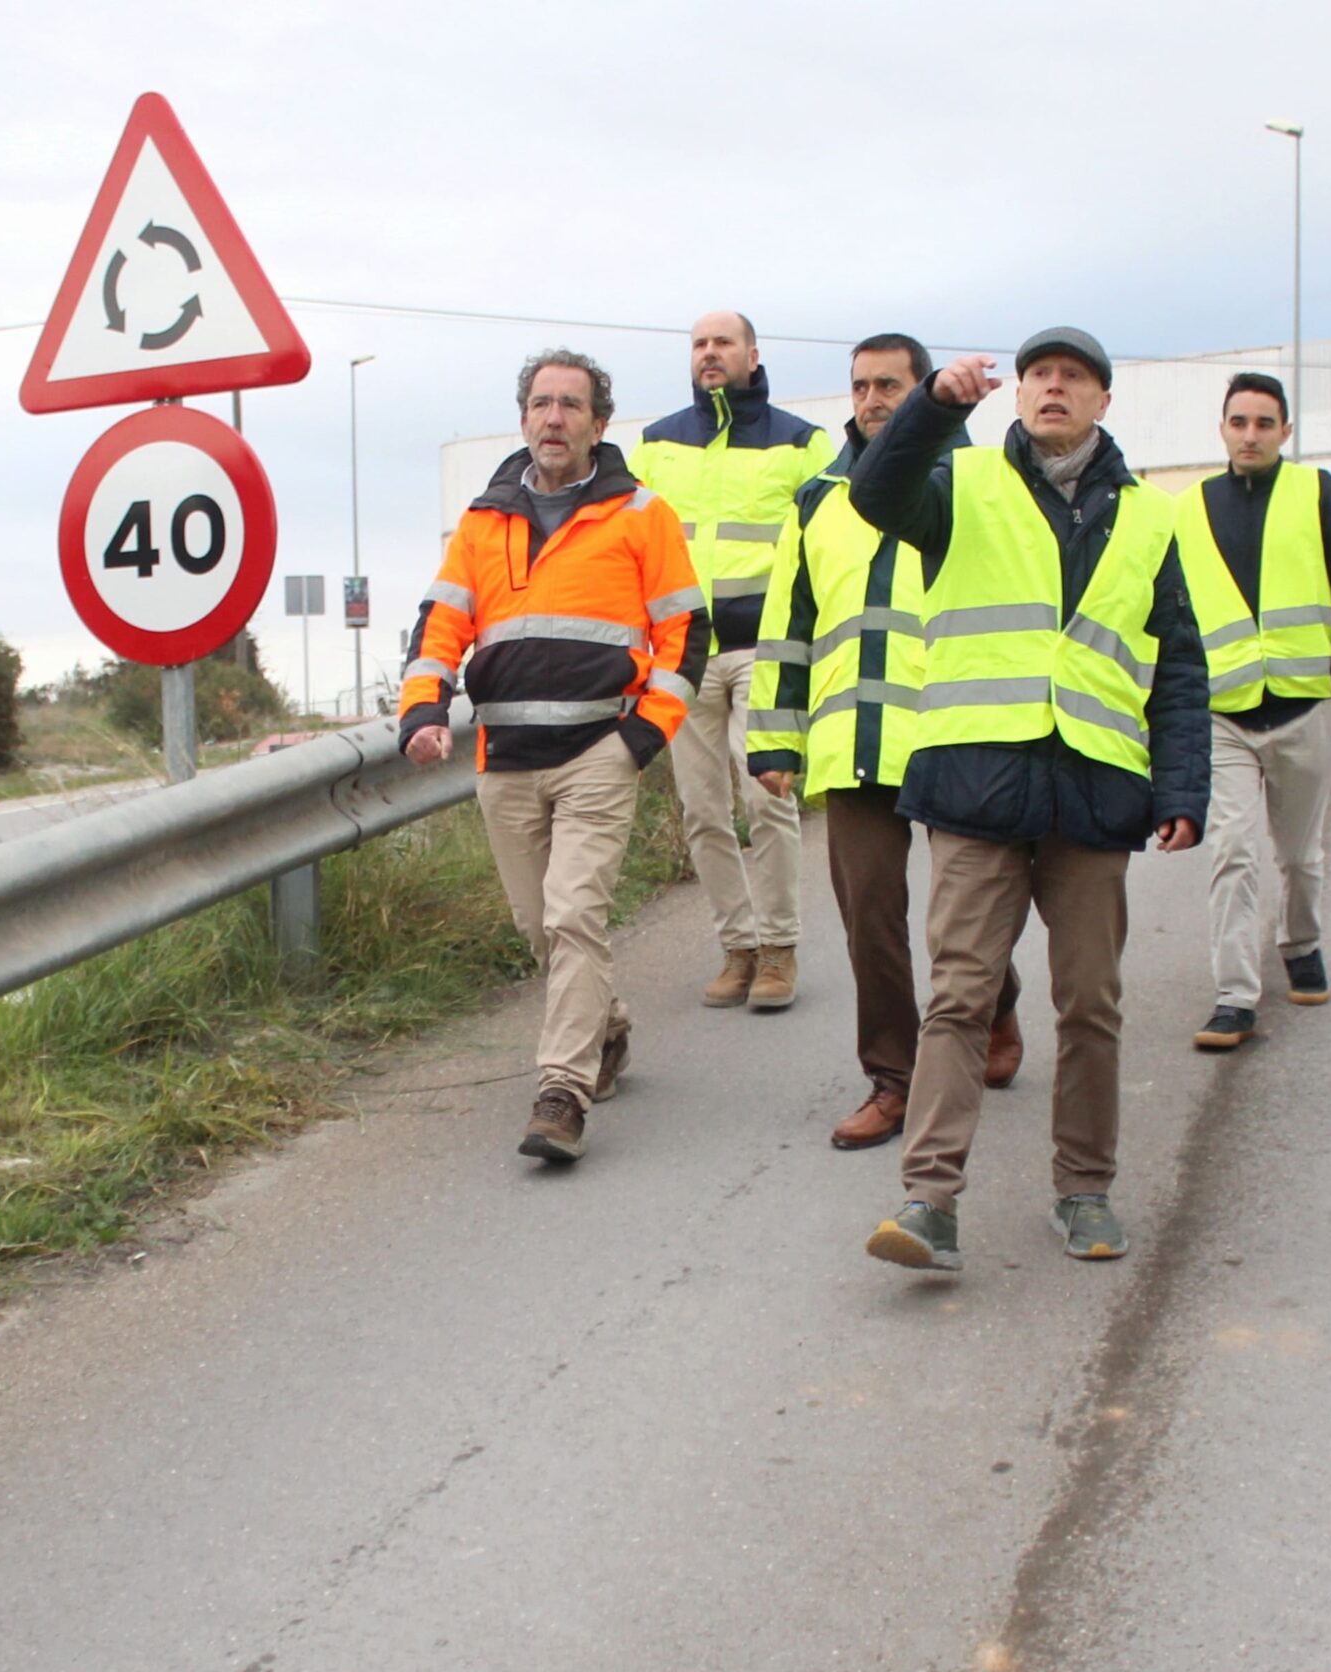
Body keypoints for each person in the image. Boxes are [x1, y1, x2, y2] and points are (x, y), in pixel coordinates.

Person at [846, 327, 1209, 1270]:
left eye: (1075, 376)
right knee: (960, 997)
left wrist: (1182, 787)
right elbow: (872, 492)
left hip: (1093, 792)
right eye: (1041, 374)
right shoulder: (959, 484)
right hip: (975, 784)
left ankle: (1084, 1189)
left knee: (1090, 1001)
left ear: (1103, 401)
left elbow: (1177, 668)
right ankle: (929, 1201)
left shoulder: (1150, 519)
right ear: (1019, 394)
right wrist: (934, 405)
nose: (1055, 387)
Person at [399, 348, 708, 1165]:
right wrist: (423, 712)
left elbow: (685, 633)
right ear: (524, 417)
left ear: (599, 424)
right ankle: (604, 1029)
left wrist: (643, 735)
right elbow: (439, 627)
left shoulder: (642, 514)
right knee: (538, 925)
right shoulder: (482, 521)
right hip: (504, 757)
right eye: (542, 403)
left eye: (572, 405)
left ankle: (561, 1093)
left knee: (575, 914)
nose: (555, 418)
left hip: (597, 749)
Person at [748, 334, 1026, 1151]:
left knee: (964, 918)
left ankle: (998, 1005)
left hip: (954, 731)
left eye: (890, 385)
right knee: (871, 916)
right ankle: (893, 1077)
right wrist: (774, 739)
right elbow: (787, 625)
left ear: (926, 391)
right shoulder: (816, 499)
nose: (873, 400)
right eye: (861, 385)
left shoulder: (985, 482)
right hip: (850, 740)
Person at [628, 311, 833, 1011]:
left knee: (765, 796)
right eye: (698, 344)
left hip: (763, 648)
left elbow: (828, 540)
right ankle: (737, 946)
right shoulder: (655, 445)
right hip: (684, 653)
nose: (709, 353)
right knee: (701, 808)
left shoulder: (802, 442)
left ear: (752, 353)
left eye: (722, 342)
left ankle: (779, 948)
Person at [1178, 373, 1331, 1051]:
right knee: (1232, 849)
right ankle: (1234, 996)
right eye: (1239, 422)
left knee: (1299, 852)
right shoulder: (1192, 508)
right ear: (1223, 428)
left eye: (1265, 423)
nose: (1251, 434)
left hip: (1305, 706)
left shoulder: (1317, 493)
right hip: (1224, 714)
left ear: (1285, 431)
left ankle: (1302, 942)